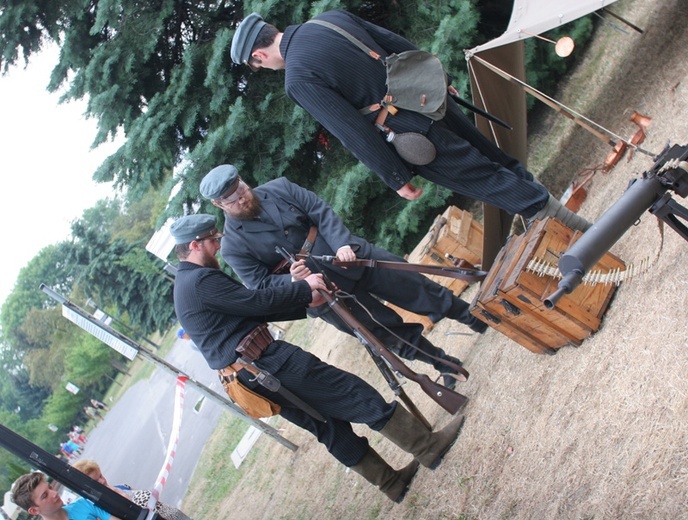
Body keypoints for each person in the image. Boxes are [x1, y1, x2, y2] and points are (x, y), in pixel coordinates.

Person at [169, 213, 466, 502]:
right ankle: (428, 447)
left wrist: (309, 299)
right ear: (195, 245)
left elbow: (254, 310)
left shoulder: (188, 283)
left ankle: (391, 484)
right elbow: (255, 301)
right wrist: (303, 289)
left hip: (251, 376)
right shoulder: (200, 281)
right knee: (352, 392)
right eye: (212, 240)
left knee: (327, 426)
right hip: (266, 364)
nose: (218, 244)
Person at [229, 10, 591, 233]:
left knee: (487, 179)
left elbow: (350, 130)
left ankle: (583, 233)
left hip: (409, 130)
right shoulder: (329, 18)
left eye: (258, 67)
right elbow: (397, 44)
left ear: (258, 56)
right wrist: (438, 78)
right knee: (496, 161)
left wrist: (395, 177)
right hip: (427, 98)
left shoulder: (297, 79)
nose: (266, 70)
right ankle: (554, 223)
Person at [200, 164, 481, 388]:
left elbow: (320, 211)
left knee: (416, 287)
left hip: (350, 256)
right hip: (324, 295)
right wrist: (292, 281)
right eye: (233, 200)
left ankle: (476, 318)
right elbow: (260, 286)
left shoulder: (279, 187)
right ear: (219, 205)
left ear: (243, 181)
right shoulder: (233, 246)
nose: (242, 199)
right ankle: (445, 365)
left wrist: (341, 244)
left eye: (242, 190)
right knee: (385, 333)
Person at [72, 460, 192, 520]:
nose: (102, 481)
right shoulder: (104, 509)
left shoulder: (122, 486)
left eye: (100, 476)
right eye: (96, 481)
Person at [10, 471, 120, 520]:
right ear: (34, 511)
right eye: (45, 496)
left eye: (50, 487)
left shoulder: (84, 503)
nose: (54, 494)